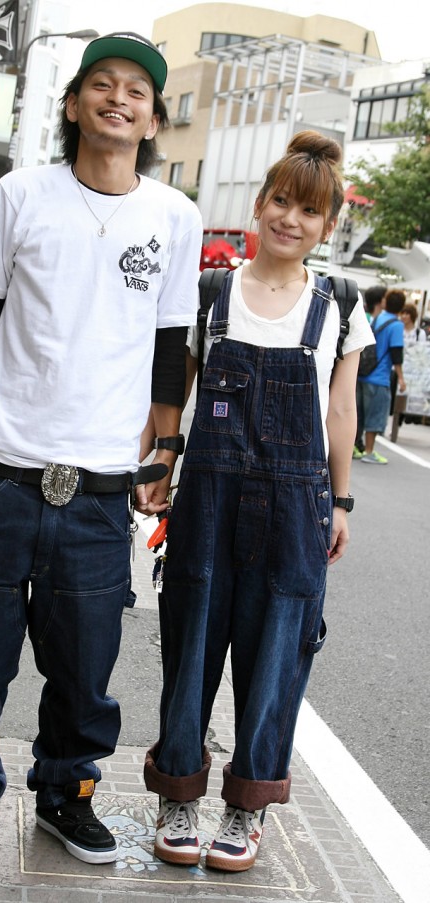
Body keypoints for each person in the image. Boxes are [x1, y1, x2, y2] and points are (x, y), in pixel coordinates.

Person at [0, 32, 203, 863]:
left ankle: (69, 793)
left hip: (102, 492)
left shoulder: (173, 216)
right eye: (102, 84)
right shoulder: (22, 194)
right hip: (9, 478)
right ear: (74, 105)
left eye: (137, 90)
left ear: (152, 118)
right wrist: (27, 384)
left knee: (84, 663)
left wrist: (162, 452)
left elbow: (172, 347)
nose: (119, 98)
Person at [142, 131, 373, 872]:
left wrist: (339, 500)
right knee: (191, 648)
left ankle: (245, 809)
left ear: (327, 224)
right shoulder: (212, 294)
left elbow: (342, 413)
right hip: (207, 498)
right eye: (281, 201)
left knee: (277, 657)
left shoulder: (340, 303)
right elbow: (172, 391)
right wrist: (162, 458)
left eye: (310, 210)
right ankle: (178, 791)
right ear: (258, 204)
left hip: (297, 505)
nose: (291, 219)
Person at [357, 288, 406, 464]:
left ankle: (356, 447)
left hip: (363, 373)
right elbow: (396, 353)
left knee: (359, 414)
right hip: (379, 377)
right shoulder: (396, 324)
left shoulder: (378, 318)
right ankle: (369, 452)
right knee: (376, 416)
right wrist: (400, 378)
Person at [353, 284, 385, 456]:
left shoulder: (368, 317)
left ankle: (356, 443)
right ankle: (356, 444)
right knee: (357, 410)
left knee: (357, 409)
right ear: (381, 301)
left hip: (359, 370)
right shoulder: (371, 319)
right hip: (368, 371)